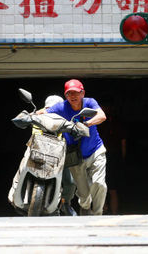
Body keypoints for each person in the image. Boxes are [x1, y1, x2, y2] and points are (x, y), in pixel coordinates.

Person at [44, 79, 108, 215]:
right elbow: (44, 113)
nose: (73, 96)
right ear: (66, 95)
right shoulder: (62, 107)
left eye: (76, 93)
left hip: (95, 151)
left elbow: (102, 116)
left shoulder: (90, 102)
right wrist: (29, 116)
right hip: (75, 156)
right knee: (84, 194)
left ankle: (97, 215)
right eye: (69, 94)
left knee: (99, 184)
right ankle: (85, 208)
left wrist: (86, 124)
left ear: (82, 93)